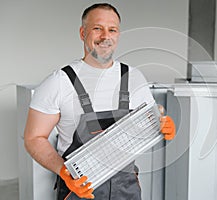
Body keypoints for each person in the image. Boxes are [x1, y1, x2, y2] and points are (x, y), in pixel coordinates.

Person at [24, 3, 175, 200]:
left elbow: (151, 122)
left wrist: (163, 128)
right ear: (82, 33)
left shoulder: (134, 77)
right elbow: (33, 138)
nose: (105, 36)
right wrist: (64, 172)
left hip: (127, 190)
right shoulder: (59, 82)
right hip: (78, 189)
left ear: (118, 35)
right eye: (97, 28)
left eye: (112, 30)